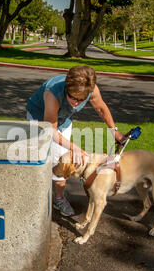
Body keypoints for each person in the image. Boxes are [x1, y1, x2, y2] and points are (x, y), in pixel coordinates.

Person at [26, 65, 125, 217]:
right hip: (39, 119)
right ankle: (33, 195)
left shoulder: (90, 88)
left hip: (63, 118)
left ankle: (58, 199)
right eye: (73, 98)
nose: (76, 103)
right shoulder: (52, 93)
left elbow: (101, 108)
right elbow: (50, 129)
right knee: (39, 157)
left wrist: (114, 131)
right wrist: (75, 147)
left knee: (63, 160)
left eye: (81, 99)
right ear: (67, 88)